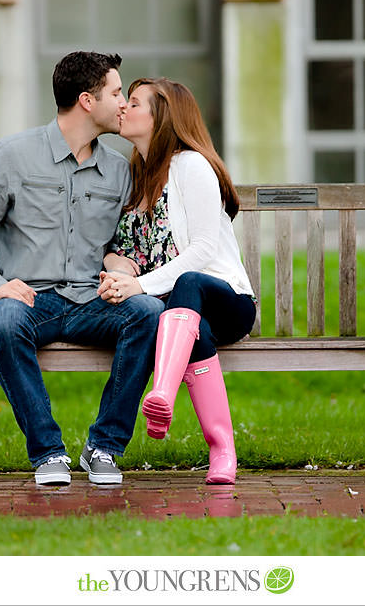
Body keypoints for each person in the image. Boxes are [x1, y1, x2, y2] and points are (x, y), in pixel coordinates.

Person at [0, 52, 165, 486]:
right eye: (117, 93)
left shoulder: (118, 171)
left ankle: (104, 447)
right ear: (87, 100)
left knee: (149, 314)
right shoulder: (12, 156)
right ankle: (48, 453)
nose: (124, 103)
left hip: (89, 300)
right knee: (5, 320)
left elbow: (122, 243)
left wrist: (120, 267)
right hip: (30, 300)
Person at [97, 78, 256, 484]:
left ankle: (163, 394)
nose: (123, 109)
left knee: (189, 281)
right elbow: (124, 247)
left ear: (161, 117)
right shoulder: (139, 175)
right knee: (189, 324)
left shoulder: (192, 166)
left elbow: (202, 249)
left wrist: (141, 286)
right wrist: (116, 266)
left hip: (226, 301)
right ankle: (223, 453)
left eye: (133, 103)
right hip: (182, 322)